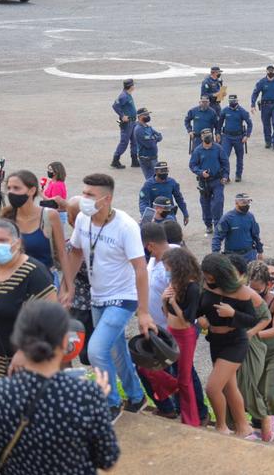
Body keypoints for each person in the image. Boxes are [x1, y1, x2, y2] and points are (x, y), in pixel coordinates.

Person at [0, 301, 120, 474]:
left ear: (18, 341)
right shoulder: (85, 396)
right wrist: (96, 400)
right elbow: (107, 460)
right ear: (65, 341)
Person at [59, 173, 157, 422]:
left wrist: (143, 312)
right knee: (116, 349)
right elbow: (77, 251)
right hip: (97, 296)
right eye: (84, 193)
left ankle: (110, 402)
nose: (84, 199)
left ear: (106, 199)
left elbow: (140, 268)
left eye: (90, 195)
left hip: (123, 298)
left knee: (96, 350)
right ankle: (136, 396)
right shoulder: (83, 219)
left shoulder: (126, 226)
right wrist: (68, 287)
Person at [0, 220, 57, 378]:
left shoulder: (35, 273)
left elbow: (52, 320)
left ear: (17, 243)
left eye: (3, 241)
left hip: (27, 366)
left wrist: (24, 351)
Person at [198, 253, 265, 438]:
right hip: (215, 341)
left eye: (211, 275)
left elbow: (252, 319)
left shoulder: (240, 291)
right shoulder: (205, 286)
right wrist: (200, 319)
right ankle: (243, 427)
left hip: (235, 341)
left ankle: (222, 426)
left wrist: (232, 313)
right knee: (229, 387)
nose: (208, 279)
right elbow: (199, 308)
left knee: (212, 388)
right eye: (206, 275)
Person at [137, 245, 203, 427]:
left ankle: (191, 420)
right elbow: (167, 314)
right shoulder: (174, 284)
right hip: (171, 331)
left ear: (178, 267)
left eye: (168, 269)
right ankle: (172, 387)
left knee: (185, 378)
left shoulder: (192, 288)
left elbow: (189, 320)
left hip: (186, 335)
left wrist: (173, 302)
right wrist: (165, 300)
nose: (166, 273)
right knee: (147, 368)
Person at [247, 261, 274, 440]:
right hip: (257, 352)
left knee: (271, 393)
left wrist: (251, 334)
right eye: (252, 289)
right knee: (255, 392)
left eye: (259, 290)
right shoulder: (246, 296)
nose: (255, 293)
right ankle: (261, 425)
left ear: (269, 284)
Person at [1, 170, 67, 273]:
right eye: (9, 188)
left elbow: (62, 253)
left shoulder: (50, 216)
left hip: (43, 283)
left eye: (16, 188)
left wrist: (68, 285)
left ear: (32, 191)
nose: (11, 192)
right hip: (14, 280)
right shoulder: (7, 218)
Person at [189, 128, 229, 235]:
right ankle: (208, 225)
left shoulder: (218, 148)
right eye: (205, 135)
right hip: (204, 182)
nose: (207, 138)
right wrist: (201, 172)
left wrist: (225, 176)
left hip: (217, 181)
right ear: (201, 137)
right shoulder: (197, 150)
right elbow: (192, 165)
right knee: (205, 204)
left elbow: (225, 163)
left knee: (218, 203)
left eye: (209, 135)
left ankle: (217, 225)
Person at [212, 193, 263, 263]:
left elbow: (256, 235)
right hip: (233, 257)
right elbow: (217, 236)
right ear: (236, 203)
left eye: (248, 202)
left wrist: (260, 251)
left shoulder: (250, 217)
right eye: (244, 203)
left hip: (250, 256)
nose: (246, 205)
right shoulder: (227, 218)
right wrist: (215, 254)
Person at [250, 65, 274, 151]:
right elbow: (255, 93)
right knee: (266, 125)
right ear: (266, 72)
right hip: (265, 106)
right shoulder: (262, 82)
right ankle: (268, 141)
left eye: (272, 71)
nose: (271, 73)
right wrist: (252, 105)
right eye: (269, 71)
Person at [138, 161, 189, 226]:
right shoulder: (148, 185)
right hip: (156, 215)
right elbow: (143, 202)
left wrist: (185, 213)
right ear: (156, 171)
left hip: (169, 213)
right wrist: (148, 216)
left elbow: (179, 199)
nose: (164, 172)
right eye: (162, 170)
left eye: (166, 170)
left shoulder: (172, 182)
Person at [218, 94, 252, 183]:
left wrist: (246, 136)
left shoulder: (242, 111)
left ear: (237, 101)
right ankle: (226, 176)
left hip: (239, 138)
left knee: (239, 157)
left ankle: (238, 175)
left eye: (233, 101)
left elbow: (250, 124)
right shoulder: (225, 110)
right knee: (224, 157)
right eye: (230, 101)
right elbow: (220, 123)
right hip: (227, 137)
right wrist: (218, 133)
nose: (232, 102)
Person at [110, 78, 137, 169]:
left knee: (134, 141)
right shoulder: (124, 96)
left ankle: (134, 160)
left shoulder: (128, 94)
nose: (134, 86)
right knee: (124, 142)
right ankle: (115, 160)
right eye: (133, 85)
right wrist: (122, 115)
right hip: (127, 123)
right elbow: (115, 105)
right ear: (130, 86)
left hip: (133, 122)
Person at [132, 107, 163, 181]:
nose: (148, 116)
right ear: (139, 117)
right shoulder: (139, 129)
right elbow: (149, 144)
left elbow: (160, 136)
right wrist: (155, 138)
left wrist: (152, 138)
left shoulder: (147, 127)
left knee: (157, 179)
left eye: (148, 114)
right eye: (145, 115)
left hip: (153, 157)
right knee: (151, 180)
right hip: (146, 159)